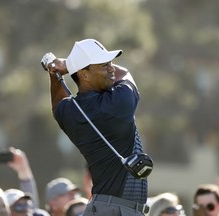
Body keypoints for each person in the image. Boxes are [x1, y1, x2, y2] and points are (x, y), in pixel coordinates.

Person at [41, 38, 150, 216]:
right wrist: (67, 66)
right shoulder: (118, 103)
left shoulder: (70, 112)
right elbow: (125, 74)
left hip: (104, 207)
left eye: (110, 63)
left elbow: (58, 104)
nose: (112, 68)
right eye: (103, 65)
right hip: (117, 210)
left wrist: (56, 72)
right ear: (84, 74)